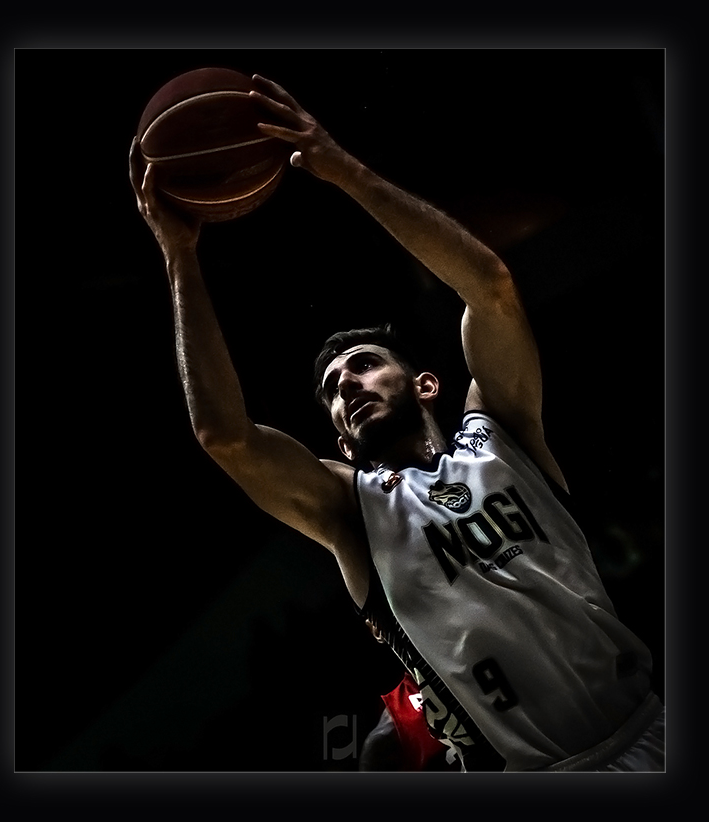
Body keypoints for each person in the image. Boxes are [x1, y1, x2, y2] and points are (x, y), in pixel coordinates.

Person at [129, 74, 664, 772]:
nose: (345, 383)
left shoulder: (500, 429)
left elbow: (491, 288)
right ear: (340, 441)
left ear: (425, 383)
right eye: (330, 389)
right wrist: (180, 257)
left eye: (361, 364)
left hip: (653, 727)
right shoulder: (352, 512)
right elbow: (225, 436)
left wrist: (342, 170)